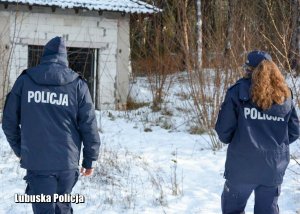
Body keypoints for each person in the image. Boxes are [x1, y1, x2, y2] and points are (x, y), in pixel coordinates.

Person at [2, 36, 101, 214]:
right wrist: (89, 159)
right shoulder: (78, 84)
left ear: (44, 55)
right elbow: (89, 125)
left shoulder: (25, 81)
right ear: (65, 58)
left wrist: (21, 151)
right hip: (67, 165)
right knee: (62, 208)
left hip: (37, 163)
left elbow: (8, 122)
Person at [215, 50, 300, 214]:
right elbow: (294, 131)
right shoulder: (285, 95)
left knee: (232, 210)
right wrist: (273, 144)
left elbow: (224, 132)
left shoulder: (237, 91)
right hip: (272, 167)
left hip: (241, 166)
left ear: (249, 69)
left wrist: (242, 141)